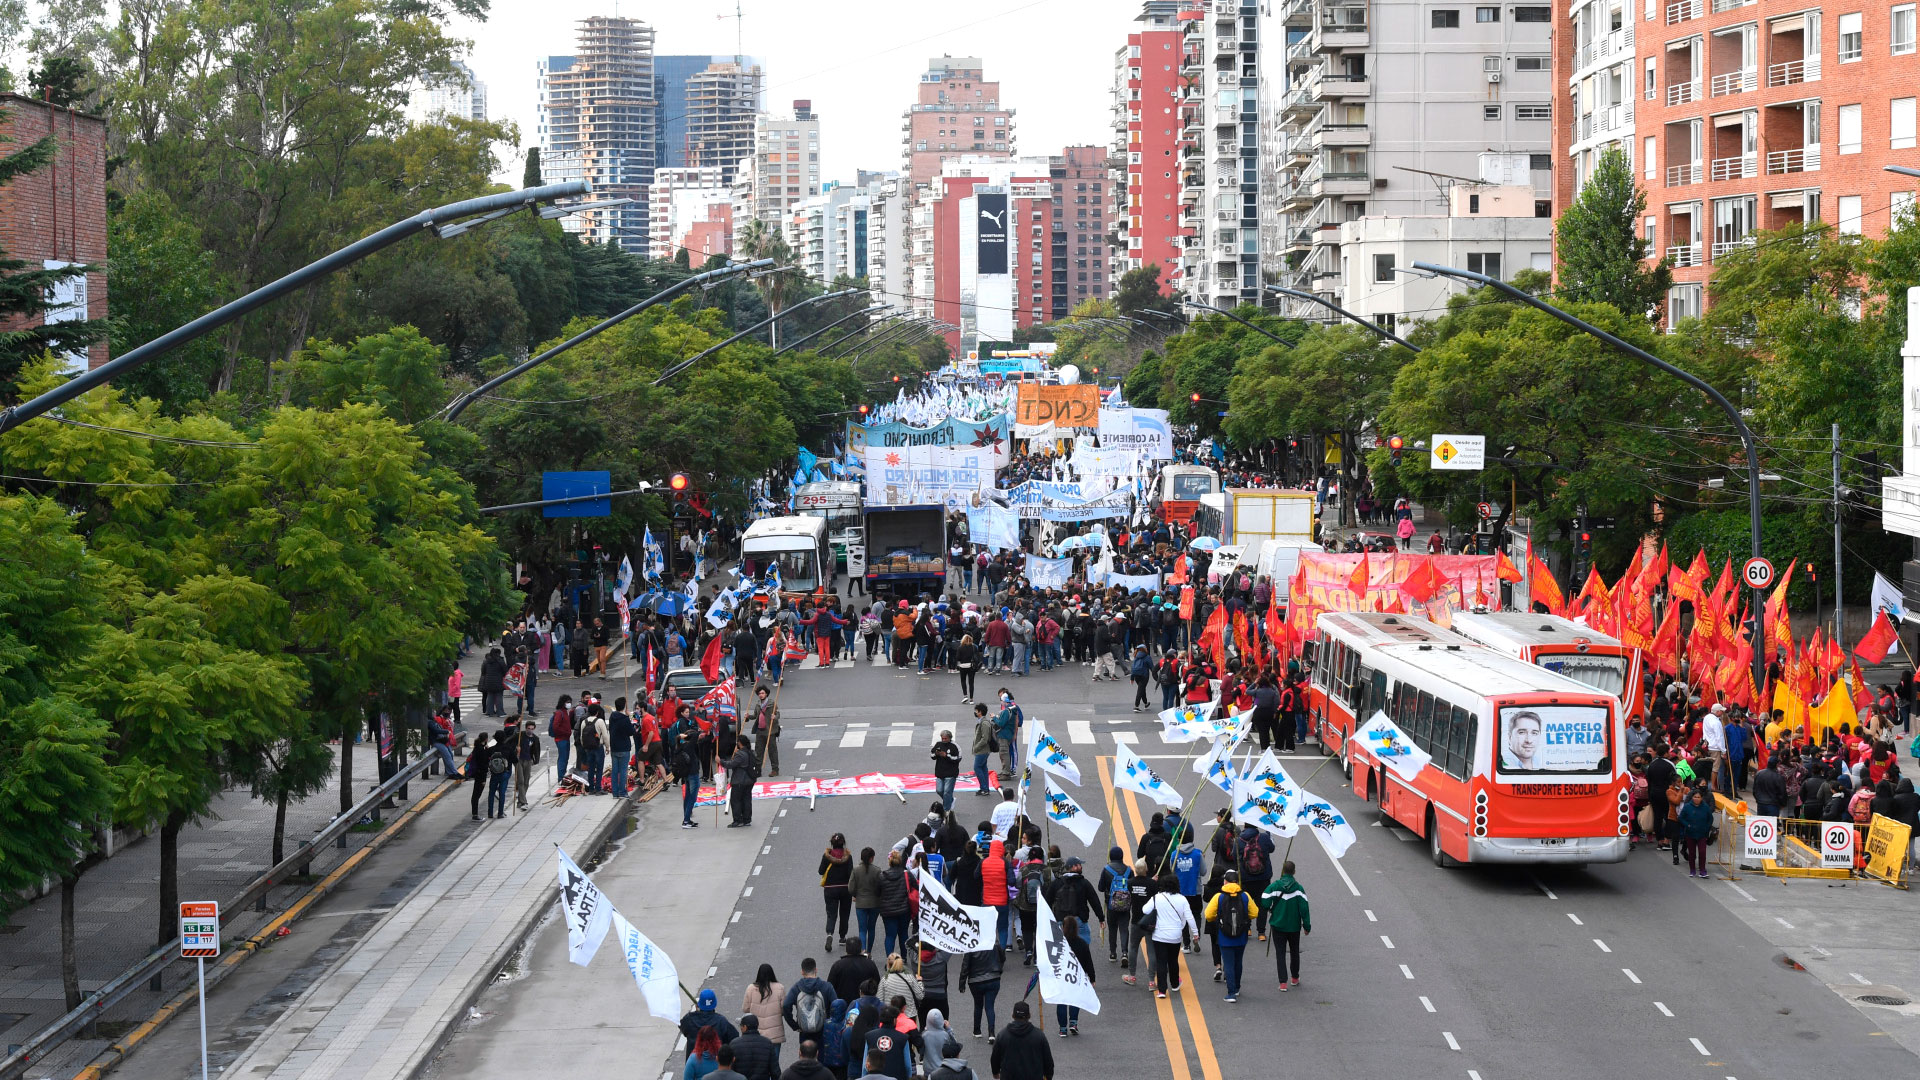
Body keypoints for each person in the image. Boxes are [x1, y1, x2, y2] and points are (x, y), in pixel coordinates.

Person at [1202, 869, 1259, 1002]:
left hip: (1224, 935)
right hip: (1241, 935)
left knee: (1228, 963)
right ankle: (1237, 988)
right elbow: (1254, 912)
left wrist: (1217, 918)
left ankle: (1231, 992)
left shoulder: (1219, 897)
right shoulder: (1245, 896)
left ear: (1225, 881)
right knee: (1238, 962)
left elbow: (1208, 915)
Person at [1261, 860, 1311, 991]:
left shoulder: (1275, 886)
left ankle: (1283, 982)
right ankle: (1295, 977)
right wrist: (1307, 926)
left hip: (1278, 925)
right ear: (1294, 872)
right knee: (1294, 952)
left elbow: (1264, 899)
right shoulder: (1299, 889)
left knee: (1280, 953)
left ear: (1282, 871)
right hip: (1294, 926)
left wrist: (1270, 907)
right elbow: (1304, 908)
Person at [1146, 879, 1198, 998]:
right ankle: (1175, 984)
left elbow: (1145, 910)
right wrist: (1195, 933)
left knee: (1161, 962)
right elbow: (1189, 917)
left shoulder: (1157, 898)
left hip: (1159, 935)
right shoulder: (1182, 899)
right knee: (1173, 960)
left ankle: (1162, 991)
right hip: (1175, 936)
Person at [986, 1000, 1051, 1080]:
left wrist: (995, 1072)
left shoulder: (1002, 1035)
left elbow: (995, 1057)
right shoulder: (1039, 1035)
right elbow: (1048, 1060)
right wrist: (1048, 1076)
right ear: (1029, 1015)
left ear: (1013, 1015)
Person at [1054, 915, 1095, 1036]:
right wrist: (1092, 978)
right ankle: (1073, 1023)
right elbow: (1088, 962)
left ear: (1063, 928)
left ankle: (1062, 1028)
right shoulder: (1082, 944)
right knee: (1075, 1000)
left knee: (1061, 1001)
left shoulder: (1060, 944)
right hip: (1076, 977)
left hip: (1061, 977)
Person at [862, 1005, 923, 1080]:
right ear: (894, 1020)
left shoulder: (870, 1036)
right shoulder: (903, 1038)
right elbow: (907, 1065)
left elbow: (865, 1063)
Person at [744, 964, 788, 1067]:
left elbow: (745, 1009)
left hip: (756, 1034)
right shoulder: (780, 988)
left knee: (759, 1066)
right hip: (775, 1034)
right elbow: (784, 1009)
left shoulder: (751, 988)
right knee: (774, 1064)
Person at [680, 988, 740, 1061]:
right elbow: (734, 1037)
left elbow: (682, 1028)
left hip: (694, 1063)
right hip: (715, 1064)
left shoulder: (689, 1019)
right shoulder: (721, 1021)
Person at [958, 945, 1003, 1039]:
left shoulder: (971, 944)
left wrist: (962, 983)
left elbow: (965, 965)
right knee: (990, 1006)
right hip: (993, 977)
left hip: (975, 980)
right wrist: (999, 969)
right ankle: (991, 1033)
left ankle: (977, 1030)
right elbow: (1002, 956)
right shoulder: (993, 941)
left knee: (978, 1005)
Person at [819, 837, 855, 950]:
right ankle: (842, 937)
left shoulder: (826, 856)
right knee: (844, 913)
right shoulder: (848, 857)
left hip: (830, 889)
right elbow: (851, 874)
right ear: (843, 843)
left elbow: (820, 871)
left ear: (832, 843)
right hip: (845, 889)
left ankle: (830, 933)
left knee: (831, 913)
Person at [878, 852, 913, 959]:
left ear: (890, 862)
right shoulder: (907, 875)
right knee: (903, 934)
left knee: (890, 936)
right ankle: (903, 958)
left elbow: (877, 892)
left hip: (888, 911)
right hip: (904, 910)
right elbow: (915, 889)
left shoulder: (882, 876)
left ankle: (890, 960)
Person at [828, 937, 881, 1008]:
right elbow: (877, 983)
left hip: (843, 1006)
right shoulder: (870, 964)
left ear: (846, 949)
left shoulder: (837, 965)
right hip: (865, 1006)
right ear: (860, 949)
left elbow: (830, 987)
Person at [849, 848, 884, 954]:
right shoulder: (877, 871)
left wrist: (856, 895)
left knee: (862, 930)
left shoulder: (856, 870)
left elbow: (850, 888)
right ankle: (869, 951)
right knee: (871, 928)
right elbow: (881, 887)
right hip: (874, 903)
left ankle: (863, 951)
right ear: (871, 858)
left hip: (861, 903)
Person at [1677, 788, 1715, 878]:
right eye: (1695, 797)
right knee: (1692, 853)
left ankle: (1702, 870)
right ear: (1692, 798)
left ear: (1701, 798)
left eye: (1698, 797)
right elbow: (1681, 818)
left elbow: (1710, 819)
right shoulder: (1687, 807)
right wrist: (1688, 825)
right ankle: (1692, 870)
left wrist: (1707, 828)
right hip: (1690, 833)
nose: (1696, 799)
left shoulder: (1705, 807)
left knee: (1702, 852)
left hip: (1702, 834)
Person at [730, 1014, 781, 1080]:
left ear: (745, 1027)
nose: (740, 1028)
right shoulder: (767, 1043)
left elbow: (730, 1069)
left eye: (741, 1026)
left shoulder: (734, 1044)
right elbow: (775, 1072)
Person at [877, 954, 924, 1022]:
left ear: (888, 964)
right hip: (909, 1015)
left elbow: (879, 1000)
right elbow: (920, 996)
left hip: (891, 1016)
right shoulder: (909, 977)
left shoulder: (885, 979)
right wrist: (919, 982)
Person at [726, 736, 758, 827]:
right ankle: (747, 819)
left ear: (739, 743)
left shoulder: (740, 754)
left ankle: (738, 820)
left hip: (740, 781)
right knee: (746, 800)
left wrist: (721, 761)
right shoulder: (751, 752)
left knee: (736, 801)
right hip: (750, 780)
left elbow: (732, 764)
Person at [752, 686, 783, 777]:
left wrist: (775, 717)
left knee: (772, 751)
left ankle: (775, 770)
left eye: (762, 693)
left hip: (769, 731)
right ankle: (758, 770)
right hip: (760, 731)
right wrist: (748, 717)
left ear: (766, 694)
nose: (761, 695)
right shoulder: (758, 704)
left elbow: (778, 714)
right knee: (759, 751)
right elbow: (755, 716)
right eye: (759, 693)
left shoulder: (772, 703)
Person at [921, 1010, 960, 1076]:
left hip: (928, 1069)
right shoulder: (945, 1035)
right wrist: (949, 1029)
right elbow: (954, 1045)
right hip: (942, 1068)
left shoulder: (924, 1035)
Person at [465, 732, 494, 821]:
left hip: (476, 773)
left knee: (475, 794)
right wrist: (483, 780)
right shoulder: (482, 750)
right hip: (480, 774)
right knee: (477, 794)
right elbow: (483, 765)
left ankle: (475, 813)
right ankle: (475, 814)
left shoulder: (477, 748)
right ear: (486, 739)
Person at [931, 729, 962, 812]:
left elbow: (958, 758)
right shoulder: (938, 744)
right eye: (943, 738)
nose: (944, 740)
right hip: (940, 773)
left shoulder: (955, 746)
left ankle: (946, 810)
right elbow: (932, 755)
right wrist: (936, 754)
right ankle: (950, 800)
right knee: (939, 790)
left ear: (950, 738)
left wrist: (946, 756)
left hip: (951, 773)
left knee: (947, 792)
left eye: (946, 738)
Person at [970, 704, 996, 796]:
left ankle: (984, 788)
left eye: (976, 711)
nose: (975, 712)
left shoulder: (984, 723)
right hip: (983, 750)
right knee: (983, 768)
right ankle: (985, 788)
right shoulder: (982, 722)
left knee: (977, 768)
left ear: (980, 712)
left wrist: (976, 747)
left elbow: (985, 739)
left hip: (982, 750)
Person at [954, 633, 982, 703]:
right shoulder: (974, 647)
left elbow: (957, 658)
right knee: (971, 682)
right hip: (971, 666)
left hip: (963, 666)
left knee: (963, 681)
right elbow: (977, 657)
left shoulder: (960, 647)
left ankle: (965, 696)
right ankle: (971, 699)